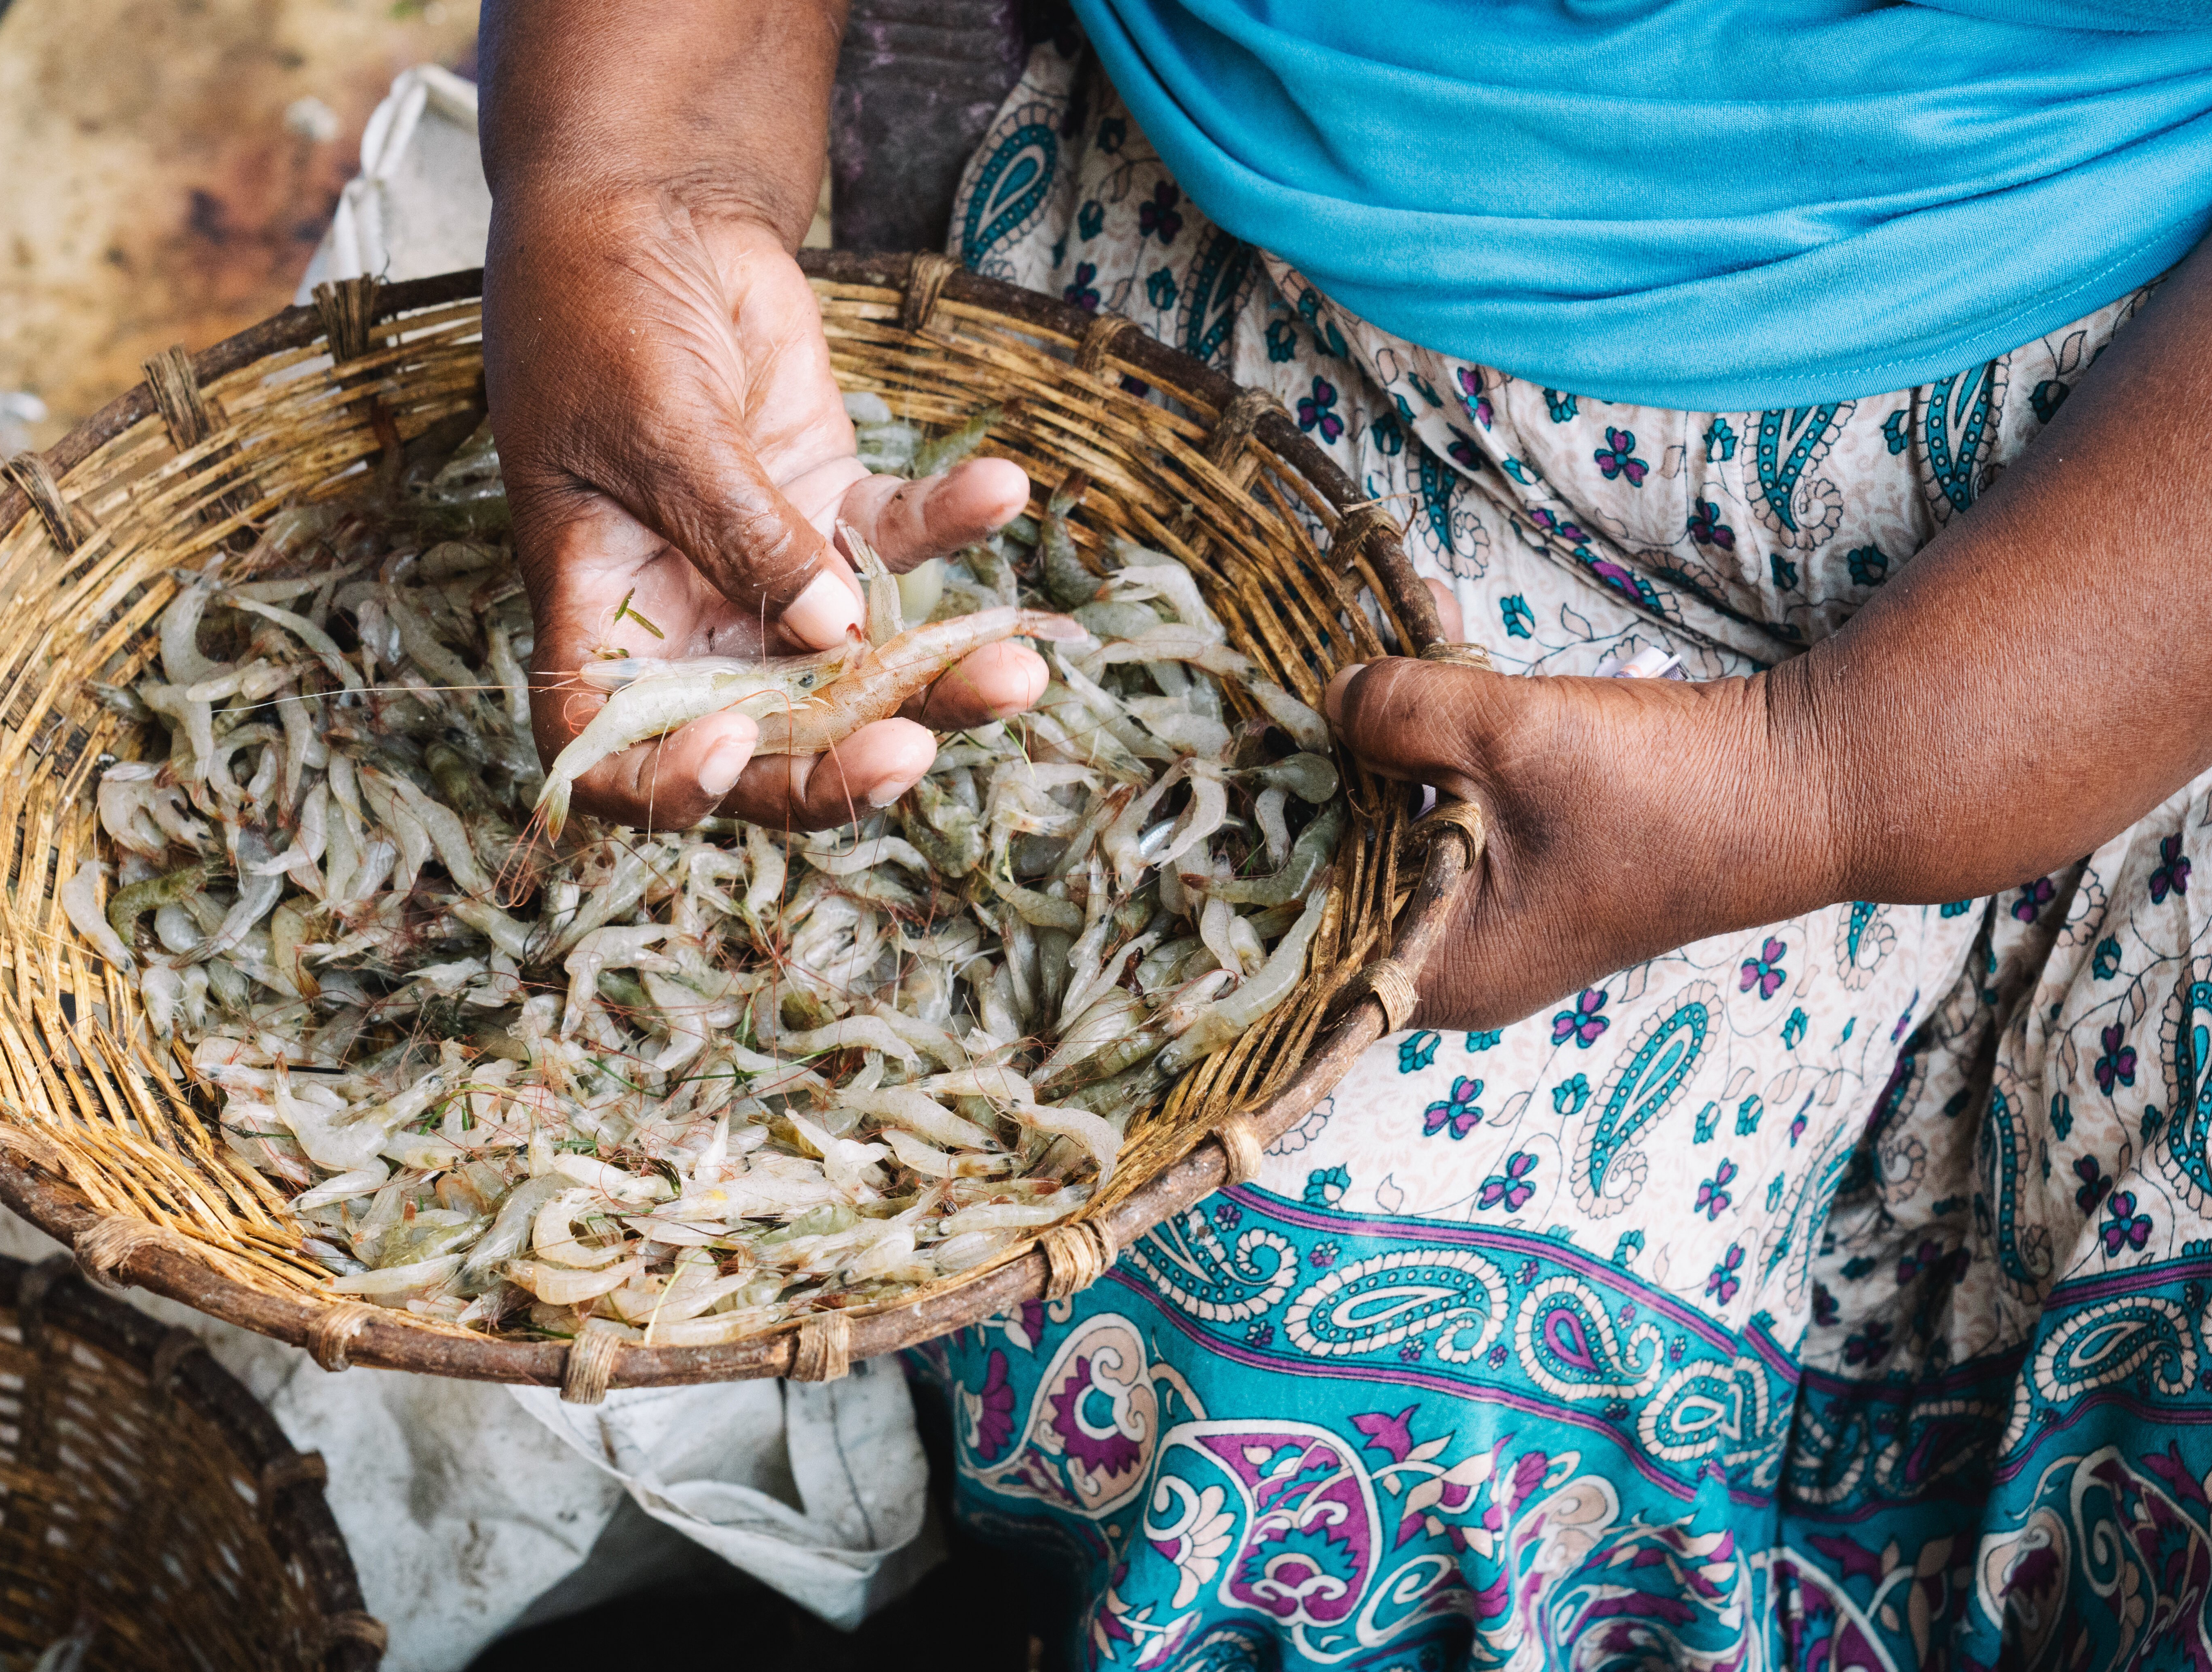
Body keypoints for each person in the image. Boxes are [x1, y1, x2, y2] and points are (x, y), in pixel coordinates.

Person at [476, 2, 2212, 1665]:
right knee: (1278, 1322)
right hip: (1311, 335)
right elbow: (648, 117)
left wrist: (1840, 777)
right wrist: (638, 164)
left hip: (2144, 483)